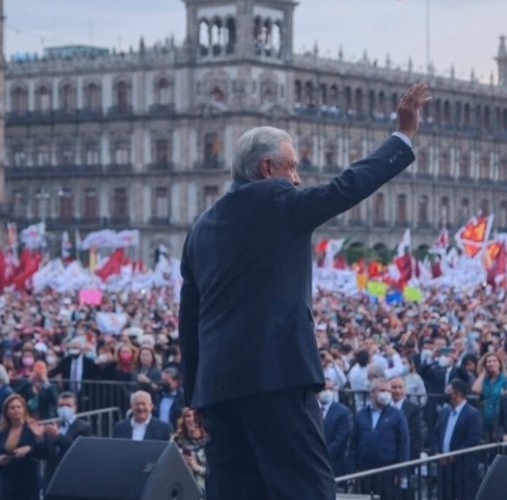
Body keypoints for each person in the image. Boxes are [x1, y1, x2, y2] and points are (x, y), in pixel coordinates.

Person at [179, 82, 429, 499]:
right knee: (305, 489)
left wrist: (196, 396)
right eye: (291, 167)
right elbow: (345, 188)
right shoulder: (278, 200)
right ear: (266, 169)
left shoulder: (200, 228)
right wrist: (402, 136)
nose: (297, 178)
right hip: (276, 380)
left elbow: (188, 321)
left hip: (218, 392)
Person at [350, 378, 409, 498]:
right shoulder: (361, 415)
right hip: (365, 468)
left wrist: (401, 471)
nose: (386, 394)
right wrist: (352, 469)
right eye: (382, 390)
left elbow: (404, 444)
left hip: (388, 470)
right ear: (372, 393)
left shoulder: (397, 415)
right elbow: (354, 444)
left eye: (388, 391)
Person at [431, 379, 482, 500]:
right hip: (444, 467)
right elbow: (435, 434)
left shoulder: (472, 414)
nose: (445, 393)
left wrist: (453, 455)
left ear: (457, 394)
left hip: (463, 467)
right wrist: (437, 453)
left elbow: (473, 439)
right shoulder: (444, 412)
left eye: (448, 390)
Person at [0, 394, 45, 500]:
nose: (16, 410)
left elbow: (43, 452)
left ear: (24, 409)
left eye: (19, 407)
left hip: (28, 481)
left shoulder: (32, 428)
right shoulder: (0, 432)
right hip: (7, 481)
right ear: (6, 412)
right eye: (12, 408)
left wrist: (31, 447)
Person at [43, 392, 92, 479]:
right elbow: (45, 452)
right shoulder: (54, 425)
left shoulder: (83, 427)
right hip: (51, 477)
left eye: (68, 405)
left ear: (75, 408)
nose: (64, 408)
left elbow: (78, 448)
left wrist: (58, 436)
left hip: (71, 477)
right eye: (61, 405)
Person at [318, 383, 351, 477]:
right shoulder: (311, 410)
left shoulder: (343, 412)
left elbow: (341, 439)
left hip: (334, 463)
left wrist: (324, 454)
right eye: (324, 389)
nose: (327, 392)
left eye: (330, 389)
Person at [471, 353, 506, 439]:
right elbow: (475, 390)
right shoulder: (485, 380)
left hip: (500, 417)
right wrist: (483, 373)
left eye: (494, 361)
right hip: (486, 416)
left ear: (499, 363)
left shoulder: (504, 379)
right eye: (489, 362)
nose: (492, 363)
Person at [173, 408, 208, 494]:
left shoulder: (209, 442)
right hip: (182, 488)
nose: (192, 419)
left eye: (195, 416)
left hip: (205, 490)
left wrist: (196, 467)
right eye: (188, 416)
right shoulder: (176, 441)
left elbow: (216, 473)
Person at [390, 376, 423, 460]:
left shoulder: (413, 409)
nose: (397, 390)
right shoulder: (384, 407)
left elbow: (414, 436)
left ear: (405, 389)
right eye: (394, 387)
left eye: (400, 387)